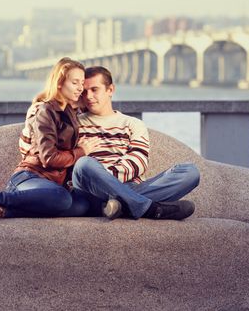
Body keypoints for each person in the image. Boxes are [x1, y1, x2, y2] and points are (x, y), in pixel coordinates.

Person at [0, 57, 99, 223]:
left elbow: (96, 105)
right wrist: (81, 151)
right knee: (62, 199)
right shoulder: (45, 110)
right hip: (30, 177)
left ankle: (1, 211)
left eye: (82, 83)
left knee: (82, 206)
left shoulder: (70, 111)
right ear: (59, 83)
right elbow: (48, 158)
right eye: (75, 83)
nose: (81, 88)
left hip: (52, 185)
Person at [72, 66, 200, 220]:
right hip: (91, 191)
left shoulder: (133, 123)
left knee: (190, 172)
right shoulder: (74, 124)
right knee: (84, 164)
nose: (88, 96)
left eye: (94, 89)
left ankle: (118, 205)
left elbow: (138, 161)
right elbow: (73, 164)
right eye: (84, 92)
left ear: (110, 90)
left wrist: (109, 180)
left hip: (131, 186)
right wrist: (101, 178)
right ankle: (150, 208)